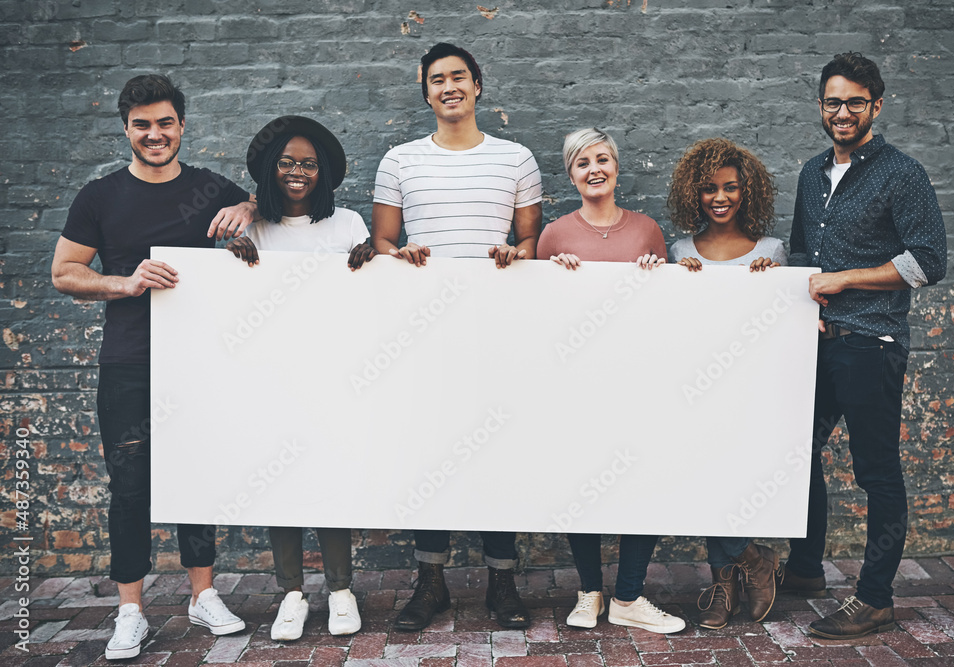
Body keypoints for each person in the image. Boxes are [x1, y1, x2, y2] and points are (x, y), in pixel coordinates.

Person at [51, 74, 256, 660]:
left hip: (197, 362)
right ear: (127, 130)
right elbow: (65, 272)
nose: (155, 134)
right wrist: (126, 281)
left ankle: (202, 595)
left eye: (165, 122)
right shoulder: (100, 196)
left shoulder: (213, 187)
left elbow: (267, 207)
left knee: (196, 477)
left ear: (182, 125)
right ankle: (131, 611)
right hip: (128, 363)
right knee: (130, 488)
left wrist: (247, 205)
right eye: (142, 124)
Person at [371, 42, 543, 631]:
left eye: (459, 77)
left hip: (496, 331)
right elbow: (383, 245)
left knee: (497, 450)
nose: (449, 86)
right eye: (437, 78)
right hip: (423, 332)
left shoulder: (516, 158)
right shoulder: (399, 160)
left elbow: (530, 245)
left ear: (477, 87)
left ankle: (502, 583)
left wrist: (513, 252)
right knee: (431, 454)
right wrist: (402, 253)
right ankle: (431, 584)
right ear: (425, 90)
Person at [784, 52, 947, 639]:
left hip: (872, 344)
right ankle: (805, 570)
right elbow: (802, 254)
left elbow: (928, 262)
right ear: (821, 107)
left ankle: (875, 598)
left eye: (856, 101)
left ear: (876, 105)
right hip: (822, 341)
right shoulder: (809, 173)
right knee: (797, 452)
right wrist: (804, 306)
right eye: (834, 101)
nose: (844, 112)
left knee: (875, 473)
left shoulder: (901, 173)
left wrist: (846, 280)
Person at [226, 115, 376, 640]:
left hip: (335, 373)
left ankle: (340, 589)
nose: (298, 171)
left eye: (309, 164)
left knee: (330, 477)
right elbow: (229, 301)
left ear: (324, 173)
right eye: (287, 162)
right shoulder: (254, 229)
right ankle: (291, 592)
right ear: (271, 169)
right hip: (272, 377)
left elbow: (370, 298)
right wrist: (232, 260)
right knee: (280, 483)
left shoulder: (348, 224)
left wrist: (370, 261)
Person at [537, 128, 681, 634]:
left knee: (643, 479)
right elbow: (535, 316)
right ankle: (589, 592)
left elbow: (666, 308)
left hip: (638, 378)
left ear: (616, 167)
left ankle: (630, 595)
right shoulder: (553, 233)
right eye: (582, 163)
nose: (593, 169)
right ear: (570, 174)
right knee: (582, 484)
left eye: (602, 159)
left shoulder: (646, 229)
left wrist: (654, 268)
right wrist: (554, 274)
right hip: (577, 384)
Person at [667, 137, 786, 630]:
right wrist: (678, 277)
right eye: (709, 188)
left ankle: (729, 579)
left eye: (731, 188)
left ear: (747, 192)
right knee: (702, 480)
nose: (720, 197)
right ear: (693, 194)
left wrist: (774, 279)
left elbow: (786, 321)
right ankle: (748, 563)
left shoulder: (772, 250)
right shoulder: (679, 250)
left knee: (733, 483)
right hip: (696, 387)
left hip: (751, 389)